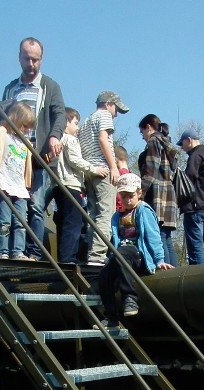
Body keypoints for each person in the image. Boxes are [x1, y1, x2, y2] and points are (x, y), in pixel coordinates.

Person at [2, 37, 66, 261]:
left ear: (42, 59)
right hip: (14, 158)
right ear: (19, 57)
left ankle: (34, 252)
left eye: (36, 60)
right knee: (12, 206)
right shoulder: (11, 89)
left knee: (36, 206)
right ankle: (11, 250)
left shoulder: (50, 86)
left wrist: (54, 137)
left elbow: (60, 115)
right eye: (27, 59)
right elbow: (1, 118)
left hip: (40, 158)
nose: (31, 64)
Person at [97, 173, 174, 326]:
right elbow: (115, 240)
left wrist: (159, 259)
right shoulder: (116, 216)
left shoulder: (143, 210)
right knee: (104, 275)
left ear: (139, 193)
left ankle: (130, 298)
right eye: (123, 196)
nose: (127, 199)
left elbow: (153, 236)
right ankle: (111, 317)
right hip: (122, 255)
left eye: (130, 195)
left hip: (139, 254)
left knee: (123, 253)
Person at [79, 91, 129, 266]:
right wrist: (113, 166)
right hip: (103, 170)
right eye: (116, 108)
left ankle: (92, 253)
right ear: (108, 104)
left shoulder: (86, 122)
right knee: (106, 213)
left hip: (90, 172)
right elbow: (103, 139)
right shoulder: (104, 116)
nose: (116, 114)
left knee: (93, 214)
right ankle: (98, 255)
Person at [53, 107, 108, 263]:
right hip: (70, 185)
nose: (77, 128)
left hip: (59, 185)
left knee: (65, 223)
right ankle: (69, 258)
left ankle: (65, 256)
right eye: (75, 123)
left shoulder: (58, 140)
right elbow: (75, 160)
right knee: (74, 223)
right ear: (66, 122)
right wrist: (94, 169)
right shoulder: (70, 139)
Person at [0, 102, 35, 260]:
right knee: (5, 221)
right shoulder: (3, 133)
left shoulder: (25, 142)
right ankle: (3, 252)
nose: (26, 129)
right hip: (3, 182)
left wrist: (27, 183)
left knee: (21, 221)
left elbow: (28, 164)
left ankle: (18, 251)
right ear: (16, 119)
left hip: (19, 186)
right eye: (24, 125)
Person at [137, 114, 179, 267]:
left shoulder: (154, 140)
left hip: (158, 196)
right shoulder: (167, 144)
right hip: (169, 194)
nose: (142, 137)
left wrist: (139, 192)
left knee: (159, 236)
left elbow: (150, 171)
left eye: (142, 132)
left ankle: (165, 276)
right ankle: (174, 275)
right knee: (167, 238)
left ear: (148, 127)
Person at [178, 129, 204, 265]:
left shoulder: (196, 156)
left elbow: (187, 180)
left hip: (195, 207)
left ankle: (198, 278)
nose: (182, 148)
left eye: (182, 144)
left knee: (195, 249)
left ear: (189, 140)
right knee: (199, 244)